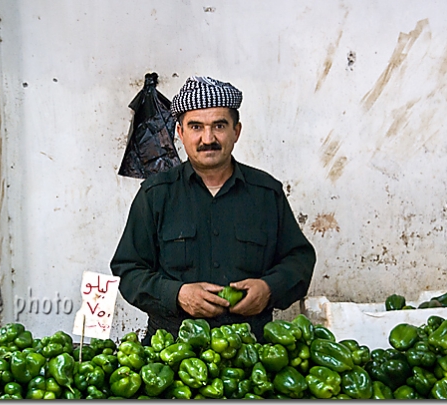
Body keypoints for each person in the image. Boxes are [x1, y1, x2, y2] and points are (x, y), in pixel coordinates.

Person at [110, 76, 316, 344]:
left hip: (251, 353)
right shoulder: (155, 194)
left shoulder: (266, 193)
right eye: (196, 127)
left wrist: (269, 289)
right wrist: (176, 294)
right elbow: (128, 269)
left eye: (219, 125)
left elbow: (298, 259)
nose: (208, 138)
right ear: (180, 133)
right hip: (171, 354)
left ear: (236, 132)